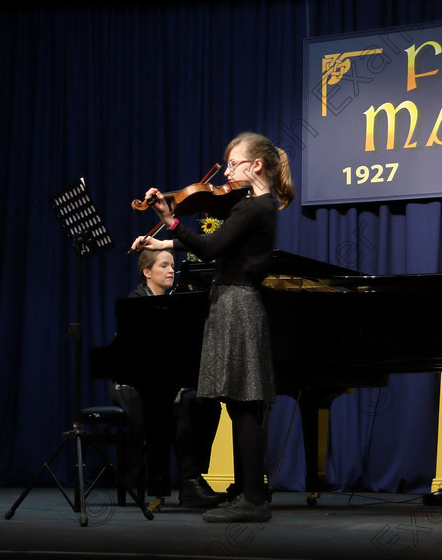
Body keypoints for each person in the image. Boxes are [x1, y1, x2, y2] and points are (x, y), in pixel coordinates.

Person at [131, 131, 295, 523]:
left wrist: (169, 219)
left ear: (256, 165)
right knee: (241, 403)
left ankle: (253, 500)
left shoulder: (254, 207)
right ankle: (249, 493)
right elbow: (216, 238)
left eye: (235, 163)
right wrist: (167, 238)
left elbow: (209, 247)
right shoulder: (253, 206)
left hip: (236, 303)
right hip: (236, 301)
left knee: (243, 404)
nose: (228, 173)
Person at [112, 249, 224, 511]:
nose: (171, 270)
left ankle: (194, 481)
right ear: (147, 272)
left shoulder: (179, 303)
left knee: (204, 402)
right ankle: (162, 484)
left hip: (169, 381)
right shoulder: (137, 300)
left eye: (172, 265)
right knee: (168, 405)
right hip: (135, 384)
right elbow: (136, 355)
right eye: (164, 265)